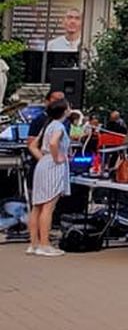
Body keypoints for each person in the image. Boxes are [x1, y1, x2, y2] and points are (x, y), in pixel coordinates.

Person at [25, 98, 71, 257]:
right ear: (64, 111)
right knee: (48, 206)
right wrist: (57, 157)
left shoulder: (47, 125)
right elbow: (53, 143)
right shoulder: (59, 126)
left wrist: (43, 158)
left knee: (37, 205)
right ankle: (45, 244)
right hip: (53, 166)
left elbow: (32, 145)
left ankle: (33, 244)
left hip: (43, 164)